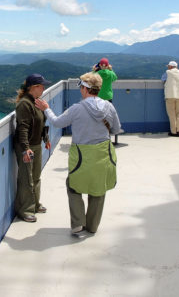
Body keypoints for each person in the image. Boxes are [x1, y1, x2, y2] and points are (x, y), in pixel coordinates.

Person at [34, 72, 121, 237]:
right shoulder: (109, 107)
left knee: (73, 186)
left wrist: (47, 109)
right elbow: (116, 129)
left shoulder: (76, 108)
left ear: (85, 89)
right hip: (103, 153)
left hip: (81, 155)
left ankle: (78, 224)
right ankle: (92, 226)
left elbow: (57, 122)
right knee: (98, 188)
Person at [13, 73, 51, 222]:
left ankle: (35, 204)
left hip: (36, 145)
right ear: (33, 87)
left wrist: (46, 138)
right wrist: (25, 148)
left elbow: (41, 122)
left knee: (35, 177)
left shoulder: (37, 102)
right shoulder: (24, 104)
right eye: (41, 86)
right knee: (26, 179)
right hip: (27, 147)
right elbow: (22, 127)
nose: (43, 88)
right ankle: (25, 210)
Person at [162, 61, 179, 136]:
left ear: (171, 66)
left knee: (171, 114)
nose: (168, 67)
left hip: (170, 95)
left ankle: (173, 131)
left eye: (168, 66)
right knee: (178, 114)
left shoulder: (167, 72)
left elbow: (163, 80)